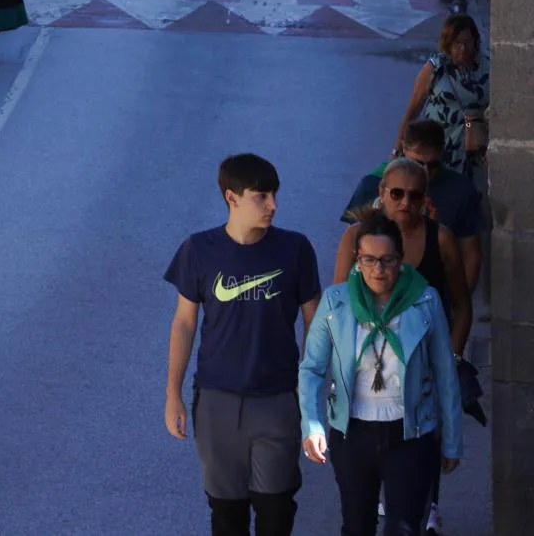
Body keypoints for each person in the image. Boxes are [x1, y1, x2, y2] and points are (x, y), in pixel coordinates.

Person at [163, 154, 322, 536]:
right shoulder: (199, 250)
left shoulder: (295, 249)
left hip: (278, 400)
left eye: (274, 195)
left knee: (276, 511)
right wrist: (173, 395)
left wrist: (313, 392)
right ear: (232, 197)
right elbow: (184, 324)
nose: (273, 206)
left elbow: (315, 323)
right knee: (226, 515)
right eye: (261, 196)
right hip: (218, 402)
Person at [299, 214, 463, 536]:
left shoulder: (425, 301)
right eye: (369, 259)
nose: (379, 269)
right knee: (357, 526)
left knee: (402, 528)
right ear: (357, 261)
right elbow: (312, 369)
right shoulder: (336, 302)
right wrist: (313, 424)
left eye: (388, 260)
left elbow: (445, 374)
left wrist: (453, 441)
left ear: (401, 261)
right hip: (353, 433)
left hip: (410, 434)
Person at [334, 159, 472, 364]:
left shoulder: (441, 239)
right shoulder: (355, 235)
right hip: (368, 358)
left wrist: (452, 359)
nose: (406, 203)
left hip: (426, 357)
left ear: (425, 199)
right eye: (397, 194)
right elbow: (339, 301)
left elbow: (461, 305)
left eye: (415, 196)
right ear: (381, 193)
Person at [342, 119, 484, 302]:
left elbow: (471, 252)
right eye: (396, 194)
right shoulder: (371, 184)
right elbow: (351, 255)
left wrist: (458, 303)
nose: (424, 171)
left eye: (433, 165)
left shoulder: (460, 190)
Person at [394, 15, 489, 195]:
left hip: (473, 149)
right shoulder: (436, 67)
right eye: (457, 44)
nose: (463, 49)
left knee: (472, 200)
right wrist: (397, 149)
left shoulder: (488, 67)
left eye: (467, 43)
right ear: (448, 43)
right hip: (439, 149)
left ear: (476, 41)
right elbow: (412, 110)